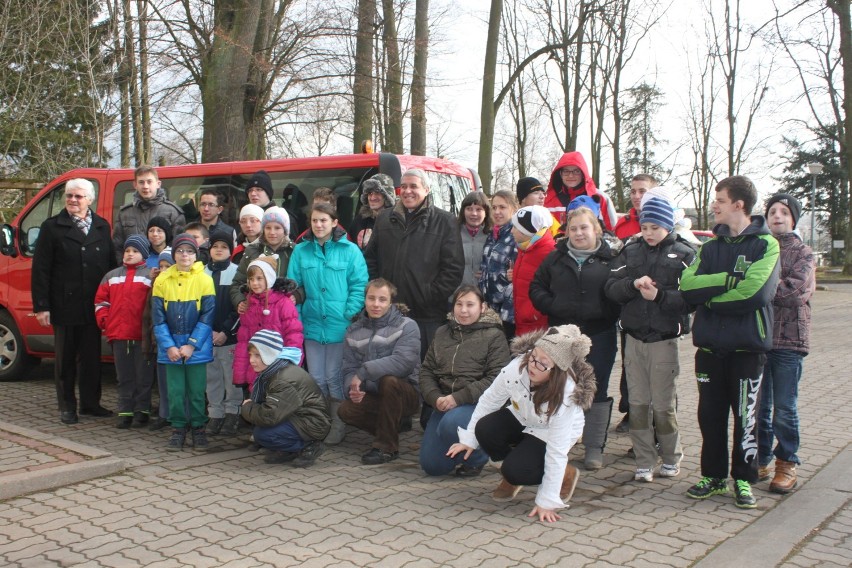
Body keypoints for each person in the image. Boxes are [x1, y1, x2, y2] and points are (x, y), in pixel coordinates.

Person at [680, 175, 780, 509]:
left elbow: (754, 293)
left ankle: (743, 478)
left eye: (719, 200)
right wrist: (724, 280)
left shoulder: (766, 245)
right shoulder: (709, 247)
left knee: (746, 418)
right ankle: (713, 476)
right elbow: (688, 286)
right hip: (709, 349)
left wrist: (709, 300)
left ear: (739, 204)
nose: (714, 205)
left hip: (747, 350)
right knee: (709, 415)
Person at [448, 325, 596, 523]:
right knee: (484, 428)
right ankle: (514, 468)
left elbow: (557, 450)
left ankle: (562, 475)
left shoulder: (566, 396)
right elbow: (490, 400)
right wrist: (469, 439)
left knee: (517, 471)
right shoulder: (518, 366)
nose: (533, 365)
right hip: (522, 416)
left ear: (557, 370)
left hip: (548, 431)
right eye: (533, 356)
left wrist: (546, 500)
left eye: (543, 364)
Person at [605, 197, 696, 482]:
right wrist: (632, 285)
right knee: (638, 405)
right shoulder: (630, 252)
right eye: (644, 226)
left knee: (663, 405)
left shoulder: (684, 254)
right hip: (633, 339)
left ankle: (671, 457)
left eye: (655, 226)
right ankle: (644, 460)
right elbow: (610, 288)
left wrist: (659, 296)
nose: (648, 232)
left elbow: (691, 299)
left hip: (664, 341)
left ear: (668, 226)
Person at [530, 206, 620, 470]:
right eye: (573, 228)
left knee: (595, 388)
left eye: (584, 227)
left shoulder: (612, 258)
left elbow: (622, 290)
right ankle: (559, 444)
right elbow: (536, 287)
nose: (579, 233)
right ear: (566, 231)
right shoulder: (555, 258)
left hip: (600, 334)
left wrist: (607, 311)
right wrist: (553, 305)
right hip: (561, 336)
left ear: (596, 230)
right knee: (559, 388)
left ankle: (594, 448)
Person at [32, 178, 117, 424]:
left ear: (90, 200)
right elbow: (41, 270)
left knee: (92, 358)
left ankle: (91, 404)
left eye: (78, 196)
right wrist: (42, 306)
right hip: (64, 304)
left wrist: (112, 300)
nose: (72, 200)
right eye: (69, 196)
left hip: (94, 305)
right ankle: (67, 406)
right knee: (65, 359)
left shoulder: (101, 226)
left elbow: (111, 265)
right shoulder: (52, 227)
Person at [288, 203, 369, 445]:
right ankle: (319, 420)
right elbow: (294, 287)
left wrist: (349, 312)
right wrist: (298, 318)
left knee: (333, 376)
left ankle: (338, 422)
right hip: (312, 324)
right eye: (314, 221)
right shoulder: (301, 251)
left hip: (339, 325)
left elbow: (359, 284)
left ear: (334, 222)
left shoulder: (350, 251)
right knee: (315, 377)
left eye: (324, 220)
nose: (319, 225)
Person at [364, 168, 464, 359]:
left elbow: (453, 268)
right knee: (389, 370)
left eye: (413, 186)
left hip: (427, 316)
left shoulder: (445, 221)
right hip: (389, 312)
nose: (408, 191)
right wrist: (379, 293)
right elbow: (371, 259)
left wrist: (428, 295)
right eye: (403, 187)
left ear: (426, 189)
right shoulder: (384, 218)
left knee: (424, 369)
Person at [419, 286, 511, 477]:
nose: (463, 310)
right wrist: (435, 397)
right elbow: (427, 370)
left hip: (477, 403)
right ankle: (461, 452)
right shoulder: (442, 332)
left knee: (450, 424)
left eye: (470, 304)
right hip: (444, 403)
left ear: (483, 307)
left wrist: (458, 398)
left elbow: (496, 378)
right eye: (459, 304)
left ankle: (479, 457)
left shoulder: (494, 335)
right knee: (432, 467)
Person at [757, 193, 815, 494]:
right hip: (760, 338)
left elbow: (794, 293)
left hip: (790, 341)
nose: (777, 216)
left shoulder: (804, 253)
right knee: (759, 406)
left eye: (783, 212)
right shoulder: (762, 249)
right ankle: (762, 456)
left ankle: (787, 462)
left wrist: (762, 284)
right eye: (772, 212)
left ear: (793, 218)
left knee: (784, 407)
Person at [338, 279, 421, 464]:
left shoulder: (407, 325)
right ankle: (392, 426)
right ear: (365, 300)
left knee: (388, 381)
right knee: (345, 410)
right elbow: (348, 367)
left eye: (382, 299)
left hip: (405, 393)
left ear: (390, 302)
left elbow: (403, 362)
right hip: (374, 394)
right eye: (371, 298)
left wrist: (363, 372)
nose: (376, 304)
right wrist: (353, 389)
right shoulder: (353, 331)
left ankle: (386, 447)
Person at [152, 233, 217, 452]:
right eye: (180, 251)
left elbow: (207, 318)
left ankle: (198, 427)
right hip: (170, 348)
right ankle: (178, 428)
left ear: (196, 254)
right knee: (176, 391)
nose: (185, 255)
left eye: (189, 251)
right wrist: (169, 346)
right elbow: (158, 319)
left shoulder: (205, 280)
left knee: (197, 391)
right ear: (174, 254)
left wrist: (191, 344)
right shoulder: (162, 280)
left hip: (195, 348)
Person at [240, 329, 331, 467]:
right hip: (300, 416)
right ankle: (288, 450)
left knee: (262, 435)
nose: (252, 360)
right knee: (262, 431)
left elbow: (269, 416)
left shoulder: (281, 379)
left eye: (258, 355)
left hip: (313, 422)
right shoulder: (275, 369)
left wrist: (248, 407)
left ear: (269, 355)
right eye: (251, 355)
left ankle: (308, 446)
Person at [94, 235, 155, 428]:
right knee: (124, 376)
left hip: (141, 336)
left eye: (135, 251)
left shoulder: (150, 276)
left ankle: (142, 410)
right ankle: (125, 410)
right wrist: (105, 320)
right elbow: (101, 301)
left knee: (143, 376)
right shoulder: (111, 276)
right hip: (118, 334)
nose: (130, 254)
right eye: (128, 251)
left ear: (144, 254)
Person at [232, 256, 303, 394]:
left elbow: (293, 336)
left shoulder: (283, 303)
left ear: (269, 278)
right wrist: (240, 373)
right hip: (255, 368)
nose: (254, 283)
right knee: (257, 402)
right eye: (251, 279)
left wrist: (289, 365)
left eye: (259, 278)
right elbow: (244, 342)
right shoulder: (248, 305)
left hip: (278, 367)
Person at [203, 231, 242, 436]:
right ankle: (215, 413)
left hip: (229, 338)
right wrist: (206, 331)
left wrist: (226, 331)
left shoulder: (237, 273)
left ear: (231, 250)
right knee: (212, 378)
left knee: (231, 378)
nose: (219, 250)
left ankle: (232, 412)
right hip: (206, 338)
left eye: (224, 247)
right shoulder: (201, 273)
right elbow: (196, 306)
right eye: (215, 246)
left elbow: (239, 307)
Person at [113, 165, 185, 262]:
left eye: (149, 182)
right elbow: (118, 247)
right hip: (134, 272)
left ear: (158, 184)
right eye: (141, 182)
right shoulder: (124, 213)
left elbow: (178, 246)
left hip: (163, 270)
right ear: (135, 185)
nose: (145, 186)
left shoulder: (173, 212)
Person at [230, 206, 293, 314]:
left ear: (285, 230)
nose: (272, 232)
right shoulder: (252, 250)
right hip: (256, 313)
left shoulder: (293, 251)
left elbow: (305, 282)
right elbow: (237, 283)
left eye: (277, 228)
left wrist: (297, 295)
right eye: (268, 228)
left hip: (286, 312)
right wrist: (239, 300)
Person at [509, 205, 556, 336]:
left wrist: (534, 313)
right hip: (523, 320)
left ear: (528, 230)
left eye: (515, 227)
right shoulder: (524, 248)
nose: (511, 231)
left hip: (537, 324)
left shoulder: (548, 252)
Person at [479, 190, 519, 339]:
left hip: (507, 312)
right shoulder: (492, 234)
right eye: (494, 207)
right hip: (489, 309)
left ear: (513, 208)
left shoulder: (517, 235)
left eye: (502, 207)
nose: (497, 212)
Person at [544, 152, 617, 231]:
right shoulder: (548, 200)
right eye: (566, 171)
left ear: (583, 173)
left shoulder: (600, 197)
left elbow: (613, 231)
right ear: (560, 174)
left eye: (576, 171)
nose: (571, 175)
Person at [349, 174, 396, 250]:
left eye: (377, 193)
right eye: (370, 193)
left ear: (387, 196)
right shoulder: (360, 221)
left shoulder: (397, 221)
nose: (372, 197)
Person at [458, 192, 491, 287]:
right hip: (457, 295)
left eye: (479, 209)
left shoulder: (492, 236)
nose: (474, 213)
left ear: (486, 212)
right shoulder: (452, 233)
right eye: (469, 209)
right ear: (463, 211)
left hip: (483, 294)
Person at [614, 174, 657, 240]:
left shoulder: (664, 225)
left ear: (654, 194)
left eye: (642, 191)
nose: (636, 196)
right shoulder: (622, 225)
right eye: (633, 192)